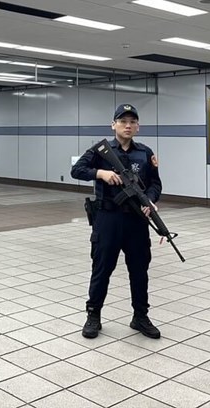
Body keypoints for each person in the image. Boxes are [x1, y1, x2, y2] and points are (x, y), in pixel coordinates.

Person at [71, 103, 163, 339]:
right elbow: (77, 170)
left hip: (136, 221)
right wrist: (100, 173)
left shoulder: (144, 153)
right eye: (123, 121)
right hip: (108, 219)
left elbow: (155, 183)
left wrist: (150, 200)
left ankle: (140, 316)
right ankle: (93, 315)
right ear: (114, 125)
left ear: (138, 127)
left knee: (139, 270)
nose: (128, 126)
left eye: (132, 122)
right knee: (101, 269)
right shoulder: (100, 151)